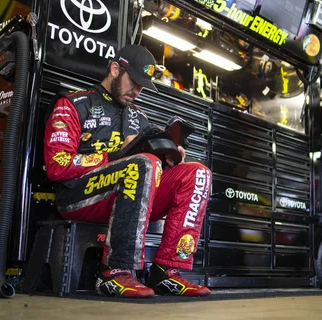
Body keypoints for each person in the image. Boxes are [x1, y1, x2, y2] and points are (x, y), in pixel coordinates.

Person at [43, 44, 211, 298]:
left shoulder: (139, 117)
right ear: (114, 69)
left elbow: (149, 167)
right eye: (134, 82)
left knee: (197, 173)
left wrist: (169, 157)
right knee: (142, 163)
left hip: (132, 196)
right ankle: (115, 271)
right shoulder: (74, 104)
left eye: (143, 86)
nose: (137, 91)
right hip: (79, 196)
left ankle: (167, 271)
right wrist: (114, 156)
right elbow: (57, 166)